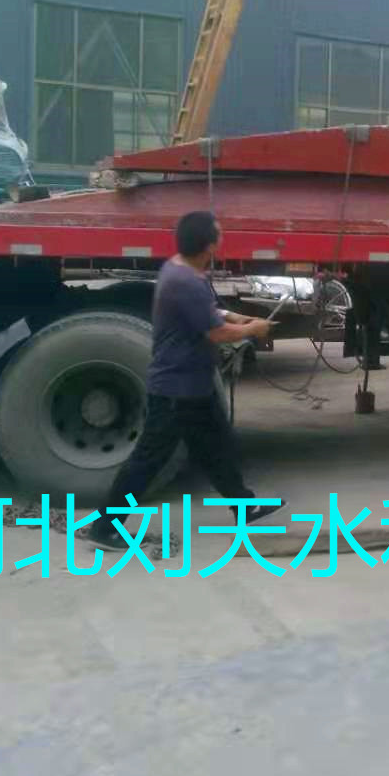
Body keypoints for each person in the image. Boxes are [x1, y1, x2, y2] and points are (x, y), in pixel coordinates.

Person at [88, 210, 281, 548]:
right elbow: (217, 333)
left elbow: (206, 312)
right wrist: (254, 328)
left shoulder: (180, 269)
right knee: (148, 461)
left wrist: (235, 315)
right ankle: (105, 527)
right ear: (209, 246)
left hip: (195, 386)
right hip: (175, 391)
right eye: (219, 234)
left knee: (218, 446)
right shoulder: (187, 281)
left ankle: (244, 506)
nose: (222, 239)